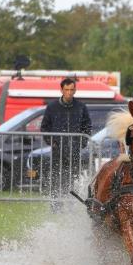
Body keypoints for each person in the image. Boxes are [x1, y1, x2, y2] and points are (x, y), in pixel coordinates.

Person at [40, 78, 92, 212]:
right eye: (66, 90)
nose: (69, 92)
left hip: (75, 151)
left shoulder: (81, 107)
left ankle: (72, 207)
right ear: (61, 90)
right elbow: (45, 127)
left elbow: (87, 126)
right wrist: (52, 142)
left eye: (71, 90)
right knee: (56, 178)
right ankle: (55, 206)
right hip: (58, 151)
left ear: (75, 90)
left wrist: (82, 142)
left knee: (74, 178)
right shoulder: (52, 107)